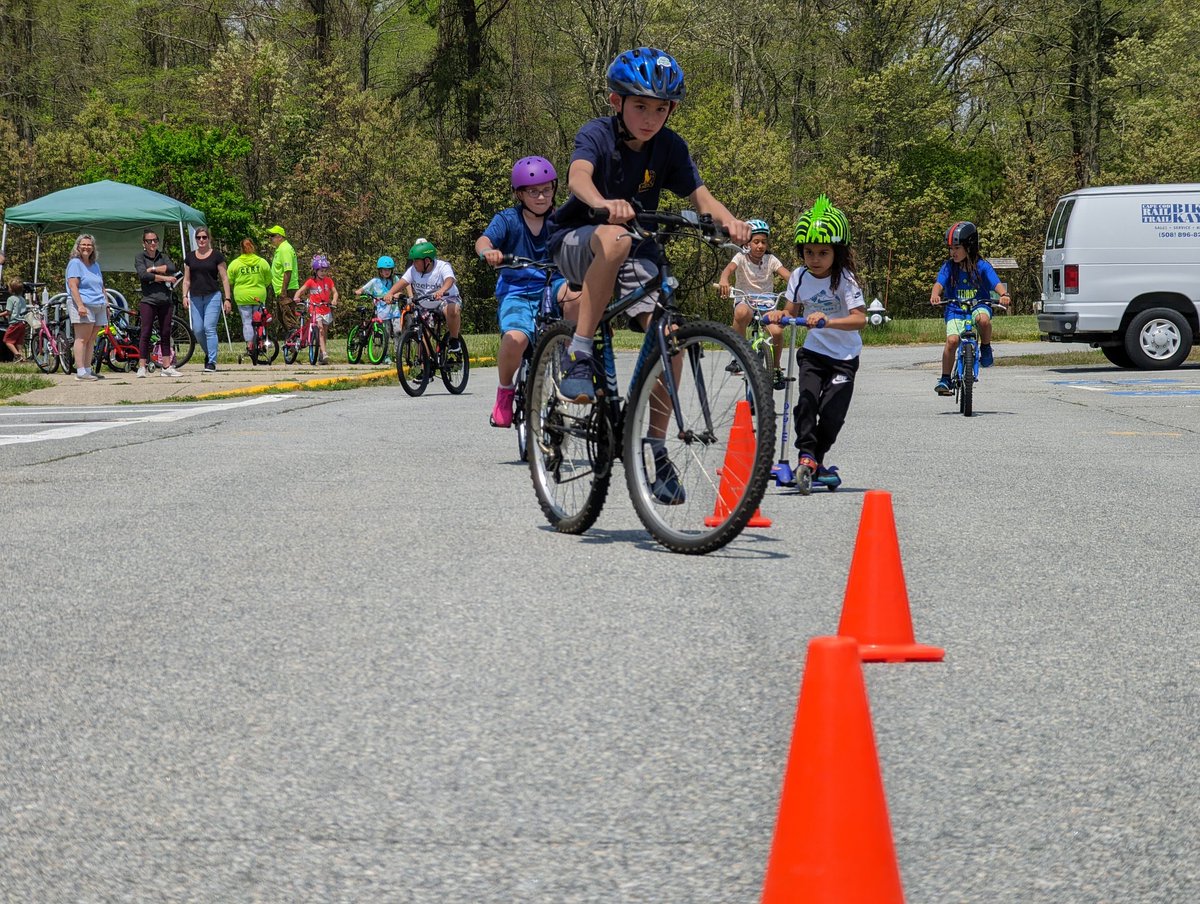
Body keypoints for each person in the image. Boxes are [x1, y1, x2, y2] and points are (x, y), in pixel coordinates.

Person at [546, 47, 750, 403]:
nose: (651, 118)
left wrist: (731, 221)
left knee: (669, 339)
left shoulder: (669, 147)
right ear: (616, 101)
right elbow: (578, 177)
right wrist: (602, 203)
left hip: (635, 247)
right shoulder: (597, 133)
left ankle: (653, 448)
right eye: (640, 106)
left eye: (661, 108)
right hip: (577, 242)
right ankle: (579, 353)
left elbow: (702, 198)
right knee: (615, 237)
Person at [767, 196, 866, 494]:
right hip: (812, 353)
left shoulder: (845, 279)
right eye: (808, 252)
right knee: (806, 402)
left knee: (832, 413)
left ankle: (817, 461)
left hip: (845, 356)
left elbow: (859, 319)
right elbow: (790, 313)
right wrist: (778, 315)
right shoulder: (798, 277)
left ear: (837, 252)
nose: (815, 258)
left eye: (823, 252)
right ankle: (806, 457)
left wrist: (828, 321)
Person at [476, 156, 580, 428]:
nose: (542, 196)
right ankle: (504, 392)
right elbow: (483, 240)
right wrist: (489, 252)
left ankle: (571, 361)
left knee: (577, 295)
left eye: (547, 189)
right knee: (514, 339)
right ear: (519, 194)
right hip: (517, 291)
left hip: (553, 283)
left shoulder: (559, 218)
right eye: (534, 191)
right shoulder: (508, 220)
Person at [930, 221, 1010, 395]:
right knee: (951, 341)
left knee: (983, 320)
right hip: (955, 308)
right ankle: (945, 378)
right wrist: (935, 294)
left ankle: (986, 347)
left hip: (978, 305)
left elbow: (995, 283)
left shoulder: (982, 266)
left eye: (957, 248)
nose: (953, 253)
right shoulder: (949, 267)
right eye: (950, 248)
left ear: (970, 246)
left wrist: (1004, 295)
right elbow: (939, 283)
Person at [717, 218, 791, 388]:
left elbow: (787, 275)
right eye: (756, 241)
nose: (760, 246)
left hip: (767, 303)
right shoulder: (740, 257)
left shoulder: (771, 259)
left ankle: (776, 368)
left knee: (777, 332)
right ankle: (739, 355)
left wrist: (799, 284)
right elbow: (728, 270)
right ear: (747, 243)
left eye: (764, 242)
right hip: (745, 299)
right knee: (741, 313)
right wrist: (724, 280)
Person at [386, 240, 463, 349]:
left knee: (452, 309)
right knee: (423, 335)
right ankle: (424, 363)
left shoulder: (442, 266)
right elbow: (402, 282)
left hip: (446, 299)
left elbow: (449, 279)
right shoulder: (413, 270)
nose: (413, 264)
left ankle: (454, 340)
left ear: (427, 261)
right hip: (426, 303)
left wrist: (442, 290)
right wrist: (390, 293)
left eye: (416, 261)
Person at [134, 228, 182, 377]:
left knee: (166, 332)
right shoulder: (139, 257)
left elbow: (173, 268)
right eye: (149, 241)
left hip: (165, 300)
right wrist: (165, 277)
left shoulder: (163, 256)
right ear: (144, 243)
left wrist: (154, 269)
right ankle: (142, 366)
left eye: (155, 240)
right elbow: (143, 275)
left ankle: (166, 366)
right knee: (146, 332)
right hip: (149, 300)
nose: (153, 243)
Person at [182, 227, 231, 372]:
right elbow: (186, 280)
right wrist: (185, 295)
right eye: (198, 238)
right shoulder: (190, 257)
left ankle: (211, 362)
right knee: (197, 329)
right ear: (195, 239)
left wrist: (227, 298)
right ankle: (208, 353)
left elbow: (224, 278)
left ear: (209, 239)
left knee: (209, 328)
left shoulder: (216, 256)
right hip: (195, 297)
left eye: (204, 237)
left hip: (212, 296)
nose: (201, 240)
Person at [65, 233, 108, 381]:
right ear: (78, 246)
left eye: (89, 245)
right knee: (82, 338)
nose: (86, 247)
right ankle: (80, 370)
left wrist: (106, 303)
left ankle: (88, 369)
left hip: (98, 304)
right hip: (83, 304)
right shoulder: (75, 263)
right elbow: (73, 286)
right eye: (83, 244)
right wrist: (80, 305)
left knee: (91, 339)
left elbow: (101, 285)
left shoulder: (95, 265)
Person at [227, 238, 273, 355]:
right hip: (258, 295)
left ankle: (250, 346)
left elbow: (229, 280)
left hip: (242, 297)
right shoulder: (262, 262)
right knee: (259, 321)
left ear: (241, 249)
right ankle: (260, 344)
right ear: (253, 247)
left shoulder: (235, 264)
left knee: (247, 322)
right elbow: (268, 279)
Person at [295, 254, 339, 364]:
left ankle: (321, 354)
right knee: (319, 329)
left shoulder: (329, 281)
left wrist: (334, 300)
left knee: (324, 332)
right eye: (321, 270)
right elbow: (301, 291)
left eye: (325, 270)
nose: (323, 273)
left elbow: (335, 292)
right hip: (315, 309)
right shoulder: (311, 281)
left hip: (326, 309)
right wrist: (296, 297)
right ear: (315, 271)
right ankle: (324, 353)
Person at [357, 255, 401, 351]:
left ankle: (398, 352)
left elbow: (400, 289)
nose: (387, 272)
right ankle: (386, 355)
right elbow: (364, 288)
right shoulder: (375, 281)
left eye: (389, 270)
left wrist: (397, 294)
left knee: (398, 330)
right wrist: (359, 292)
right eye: (384, 270)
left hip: (394, 311)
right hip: (382, 312)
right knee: (386, 333)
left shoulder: (395, 279)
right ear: (380, 270)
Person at [268, 225, 300, 333]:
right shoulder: (280, 249)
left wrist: (283, 290)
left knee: (288, 317)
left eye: (272, 236)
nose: (270, 239)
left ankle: (295, 341)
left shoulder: (285, 249)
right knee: (282, 317)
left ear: (280, 237)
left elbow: (288, 271)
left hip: (287, 289)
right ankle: (292, 342)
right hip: (281, 289)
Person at [2, 276, 28, 361]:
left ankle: (17, 355)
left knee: (7, 341)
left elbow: (8, 312)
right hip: (23, 323)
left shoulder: (11, 299)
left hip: (14, 323)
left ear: (11, 290)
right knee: (19, 341)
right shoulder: (22, 299)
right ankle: (22, 357)